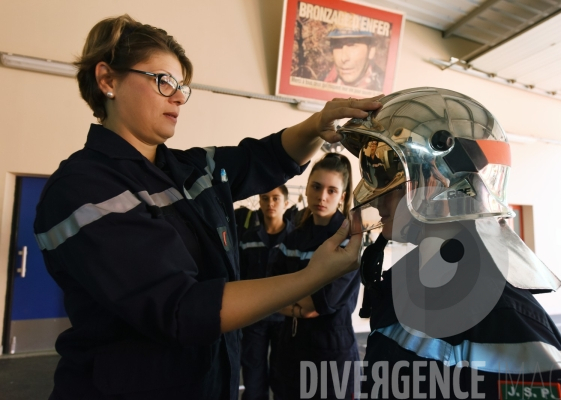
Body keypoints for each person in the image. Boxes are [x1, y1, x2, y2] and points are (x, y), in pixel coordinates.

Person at [32, 15, 380, 400]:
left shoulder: (188, 169)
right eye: (163, 81)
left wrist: (318, 123)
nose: (179, 96)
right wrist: (312, 276)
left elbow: (262, 157)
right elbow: (181, 308)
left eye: (182, 86)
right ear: (108, 80)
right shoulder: (83, 190)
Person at [339, 87, 561, 399]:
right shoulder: (406, 283)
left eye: (388, 178)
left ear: (436, 185)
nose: (377, 202)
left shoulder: (506, 321)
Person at [269, 153, 361, 400]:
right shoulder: (293, 236)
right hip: (290, 347)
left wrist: (288, 298)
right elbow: (270, 293)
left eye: (332, 190)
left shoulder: (350, 241)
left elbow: (322, 302)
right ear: (307, 188)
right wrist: (299, 309)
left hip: (331, 355)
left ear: (342, 197)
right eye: (317, 187)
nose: (322, 197)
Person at [239, 185, 293, 400]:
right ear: (259, 202)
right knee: (253, 377)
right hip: (255, 317)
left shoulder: (295, 239)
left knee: (283, 377)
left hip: (285, 318)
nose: (270, 203)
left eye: (276, 198)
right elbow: (240, 277)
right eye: (265, 198)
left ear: (286, 204)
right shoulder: (247, 238)